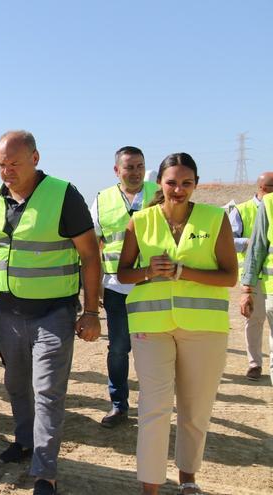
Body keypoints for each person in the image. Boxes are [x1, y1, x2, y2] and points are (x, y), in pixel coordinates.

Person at [0, 130, 101, 495]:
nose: (7, 171)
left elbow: (90, 255)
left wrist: (91, 311)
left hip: (53, 313)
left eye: (14, 163)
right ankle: (24, 440)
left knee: (47, 391)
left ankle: (45, 472)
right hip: (8, 312)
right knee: (15, 384)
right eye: (1, 165)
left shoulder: (63, 195)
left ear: (35, 158)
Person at [117, 153, 236, 495]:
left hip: (204, 329)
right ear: (161, 184)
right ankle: (150, 488)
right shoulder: (140, 221)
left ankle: (188, 479)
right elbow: (123, 274)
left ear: (196, 184)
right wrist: (147, 272)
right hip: (151, 328)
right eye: (171, 182)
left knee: (194, 408)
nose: (178, 190)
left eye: (186, 183)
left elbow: (229, 276)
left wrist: (184, 272)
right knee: (154, 408)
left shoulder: (215, 219)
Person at [90, 146, 158, 427]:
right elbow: (93, 246)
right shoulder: (102, 199)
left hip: (154, 287)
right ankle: (119, 405)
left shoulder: (159, 192)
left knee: (154, 350)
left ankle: (154, 406)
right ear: (117, 170)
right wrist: (94, 290)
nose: (135, 172)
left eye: (140, 166)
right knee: (118, 349)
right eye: (129, 167)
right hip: (117, 288)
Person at [232, 172, 273, 381]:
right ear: (264, 188)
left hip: (269, 278)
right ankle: (254, 364)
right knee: (254, 321)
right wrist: (251, 241)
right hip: (253, 277)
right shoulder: (242, 210)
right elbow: (230, 240)